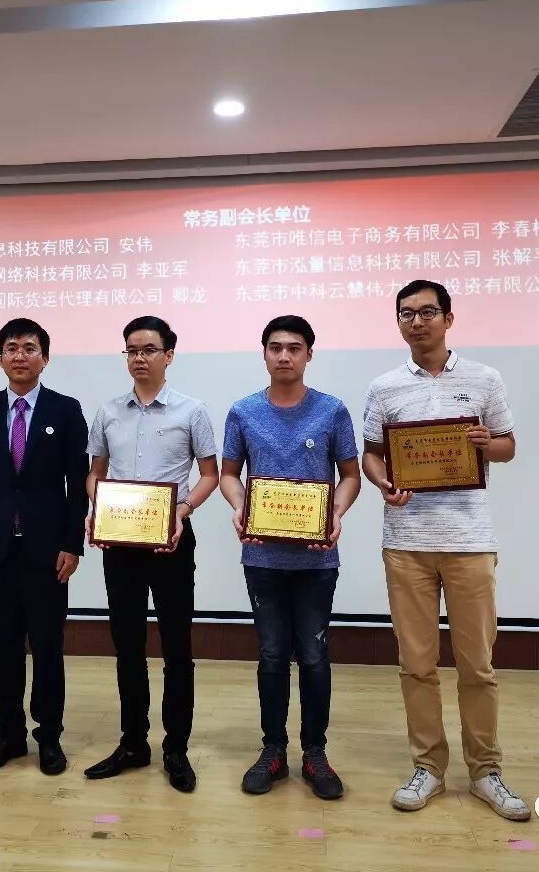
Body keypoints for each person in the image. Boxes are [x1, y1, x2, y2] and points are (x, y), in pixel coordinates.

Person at [362, 279, 530, 821]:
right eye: (406, 313)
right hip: (406, 543)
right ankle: (428, 767)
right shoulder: (385, 387)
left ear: (448, 319)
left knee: (478, 665)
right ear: (398, 323)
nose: (417, 321)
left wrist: (486, 443)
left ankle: (486, 771)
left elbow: (507, 446)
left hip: (470, 542)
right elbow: (372, 454)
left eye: (427, 312)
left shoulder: (485, 378)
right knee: (416, 665)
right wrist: (384, 483)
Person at [219, 315, 361, 800]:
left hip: (317, 559)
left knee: (315, 656)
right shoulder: (243, 411)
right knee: (272, 655)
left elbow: (350, 475)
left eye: (294, 348)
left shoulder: (332, 410)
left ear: (309, 354)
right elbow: (229, 473)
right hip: (262, 557)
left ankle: (315, 753)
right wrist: (240, 506)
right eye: (275, 347)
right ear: (264, 353)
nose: (284, 355)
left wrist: (335, 514)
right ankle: (273, 750)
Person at [84, 316, 218, 793]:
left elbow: (209, 474)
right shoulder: (108, 412)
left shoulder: (191, 411)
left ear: (169, 355)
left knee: (177, 648)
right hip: (121, 543)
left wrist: (182, 510)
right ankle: (133, 743)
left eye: (148, 350)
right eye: (131, 350)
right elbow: (96, 472)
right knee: (127, 645)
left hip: (171, 541)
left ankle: (175, 748)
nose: (139, 358)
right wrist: (97, 507)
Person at [0, 318, 89, 776]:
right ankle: (9, 735)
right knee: (4, 648)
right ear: (0, 358)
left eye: (29, 348)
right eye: (11, 347)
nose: (20, 355)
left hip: (47, 552)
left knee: (48, 647)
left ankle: (48, 736)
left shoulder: (66, 409)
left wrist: (72, 543)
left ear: (44, 358)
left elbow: (78, 484)